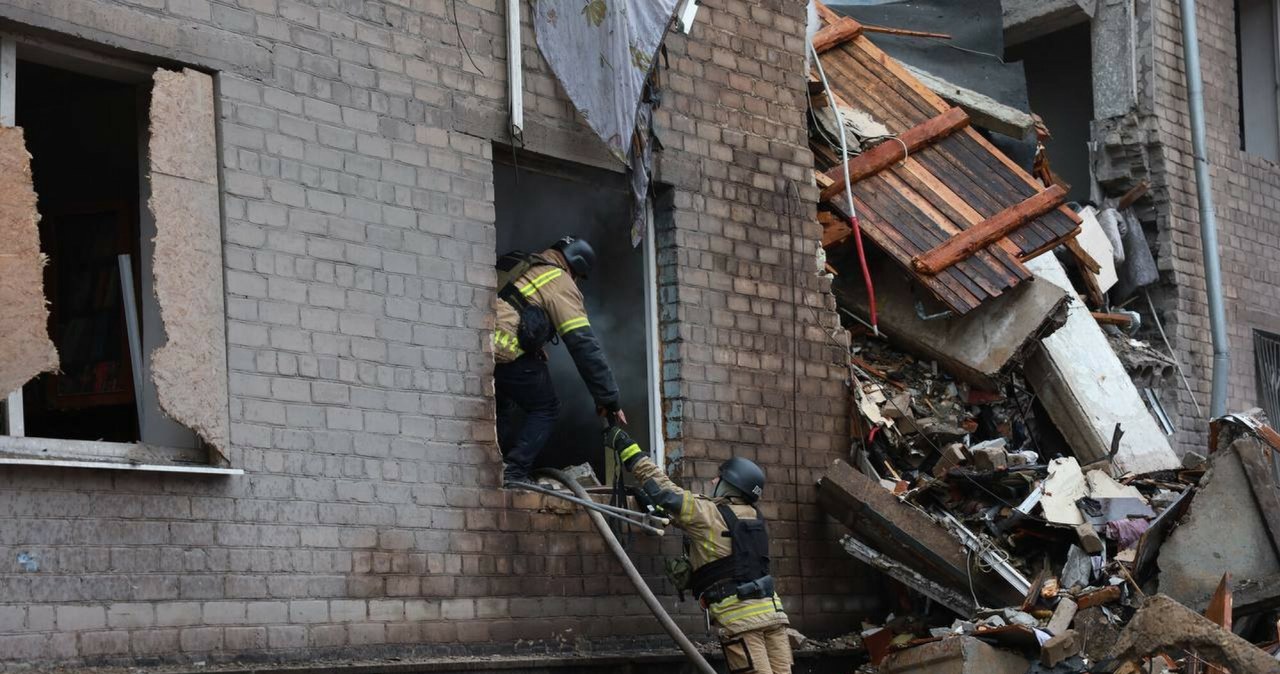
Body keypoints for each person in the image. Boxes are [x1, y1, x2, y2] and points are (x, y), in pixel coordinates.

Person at [604, 425, 792, 674]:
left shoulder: (707, 514)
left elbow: (662, 489)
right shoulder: (753, 516)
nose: (714, 481)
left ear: (730, 486)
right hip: (774, 615)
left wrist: (625, 446)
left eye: (719, 478)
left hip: (740, 619)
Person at [492, 236, 624, 486]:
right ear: (576, 266)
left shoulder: (522, 263)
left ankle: (495, 467)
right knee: (546, 407)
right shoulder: (559, 280)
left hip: (480, 349)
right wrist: (608, 398)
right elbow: (583, 345)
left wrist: (532, 347)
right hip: (504, 349)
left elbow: (515, 305)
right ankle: (514, 472)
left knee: (503, 405)